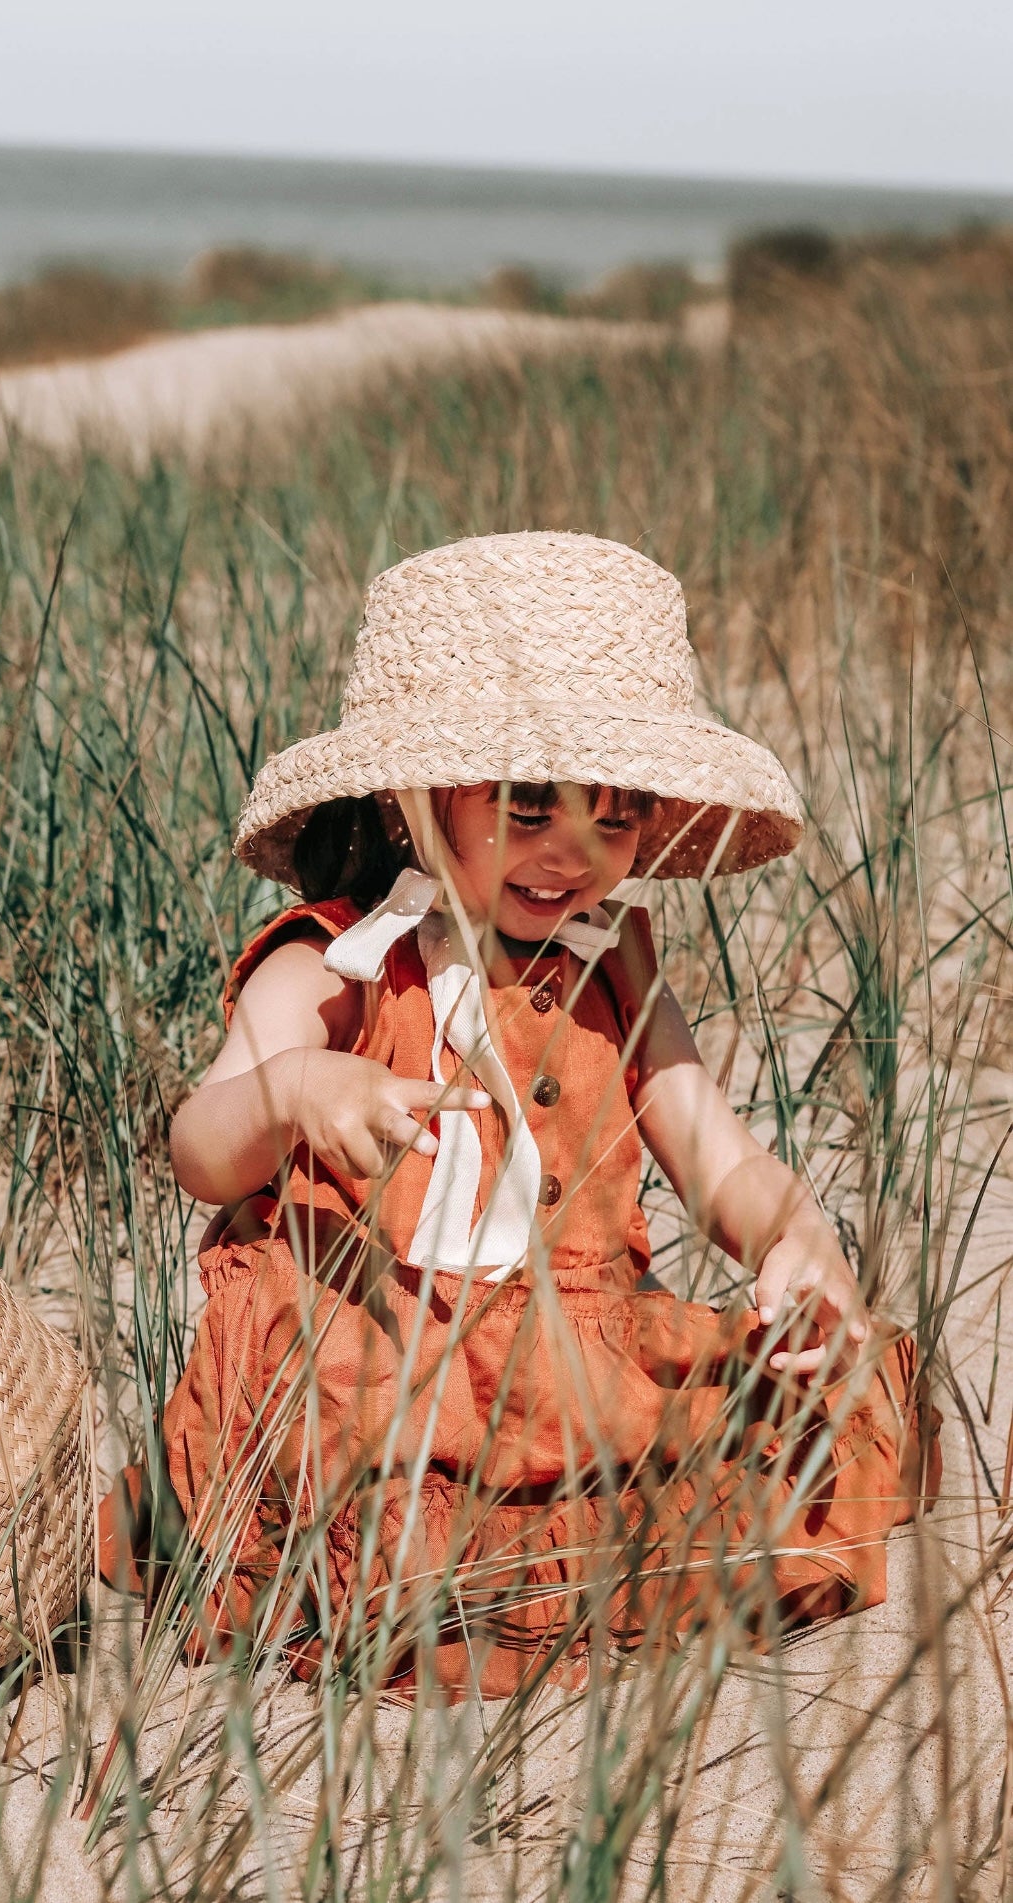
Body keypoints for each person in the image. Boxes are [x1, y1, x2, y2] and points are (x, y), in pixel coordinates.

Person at [101, 532, 939, 1698]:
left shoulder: (615, 966)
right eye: (528, 805)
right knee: (397, 1526)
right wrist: (298, 1092)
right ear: (411, 803)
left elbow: (713, 1151)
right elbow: (199, 1144)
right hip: (370, 1348)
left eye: (616, 811)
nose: (575, 852)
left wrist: (795, 1235)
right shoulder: (341, 960)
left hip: (566, 1359)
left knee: (810, 1409)